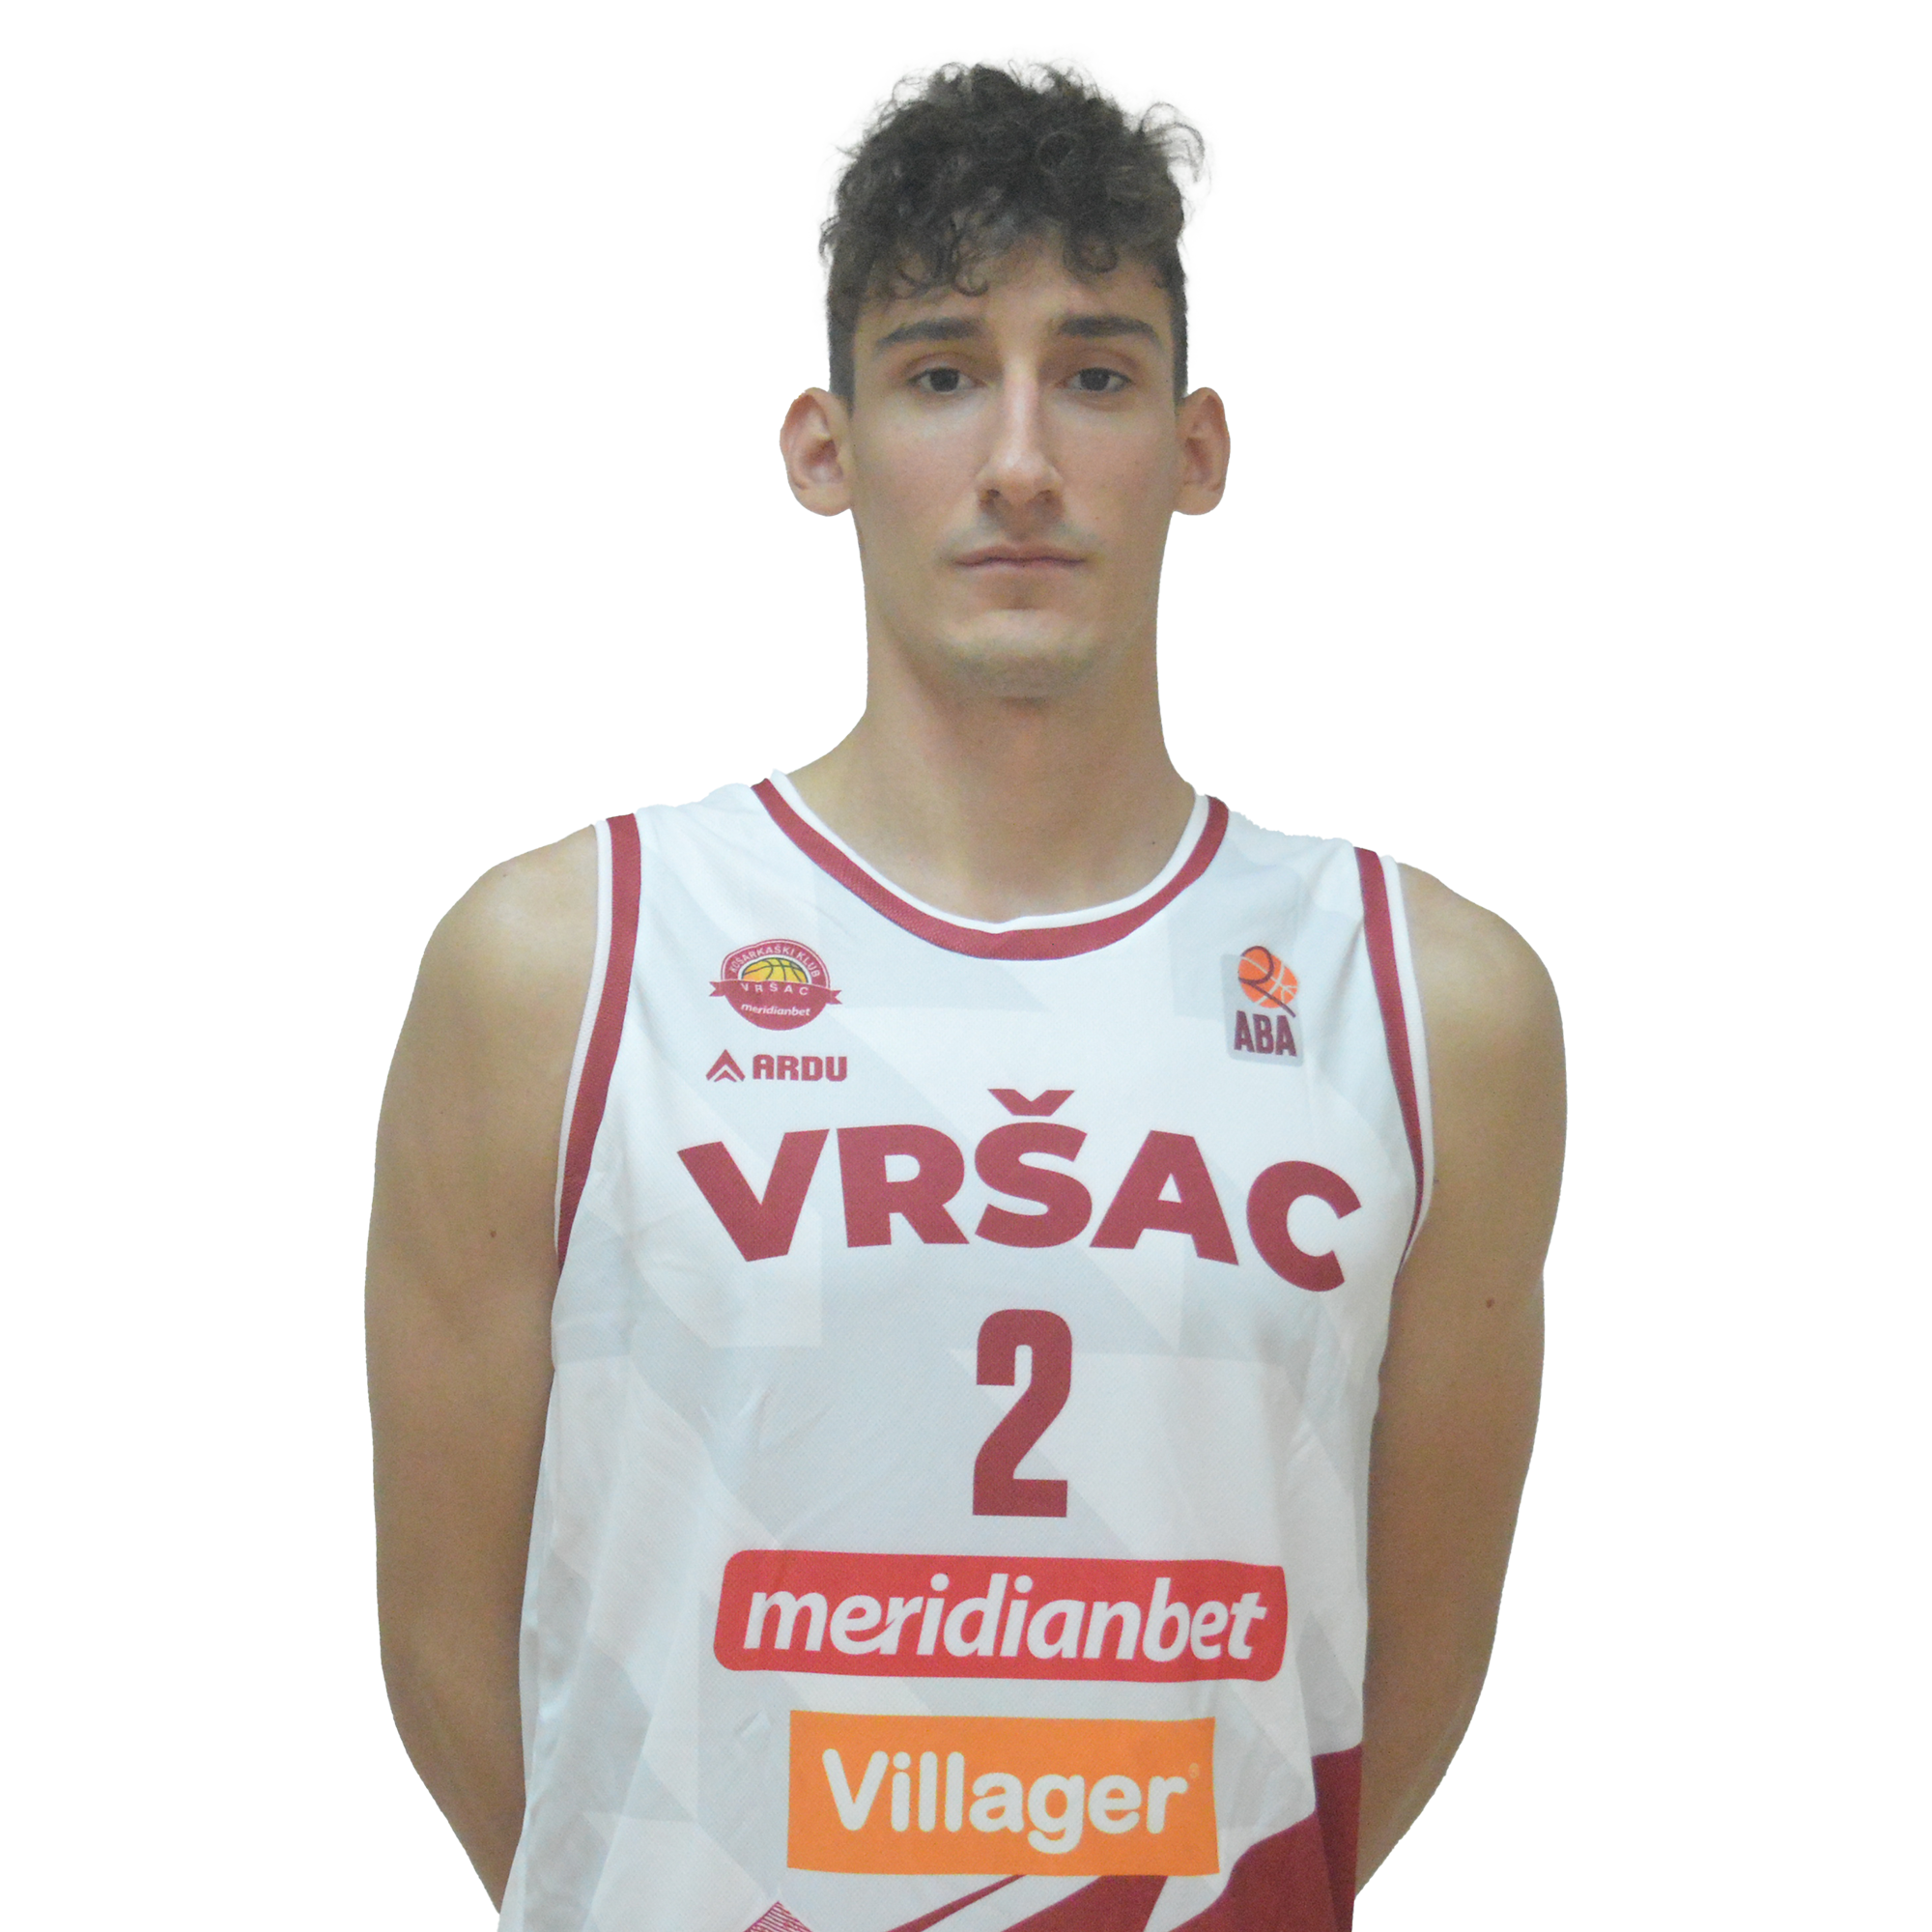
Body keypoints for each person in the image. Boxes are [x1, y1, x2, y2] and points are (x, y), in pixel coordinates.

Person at [368, 56, 1564, 1932]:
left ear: (1195, 450)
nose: (1020, 459)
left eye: (1094, 375)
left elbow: (1400, 1676)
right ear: (822, 448)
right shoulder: (562, 967)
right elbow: (452, 1641)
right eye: (938, 374)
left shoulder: (1431, 1005)